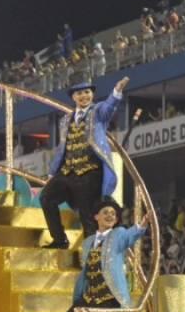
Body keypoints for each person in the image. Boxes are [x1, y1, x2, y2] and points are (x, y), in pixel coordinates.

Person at [40, 77, 129, 248]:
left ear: (92, 94)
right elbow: (62, 148)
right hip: (67, 172)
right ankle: (59, 239)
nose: (84, 96)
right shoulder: (65, 120)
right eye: (79, 93)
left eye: (87, 92)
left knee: (86, 213)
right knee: (46, 198)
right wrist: (52, 172)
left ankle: (92, 252)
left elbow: (109, 107)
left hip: (90, 172)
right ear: (73, 97)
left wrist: (116, 91)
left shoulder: (98, 112)